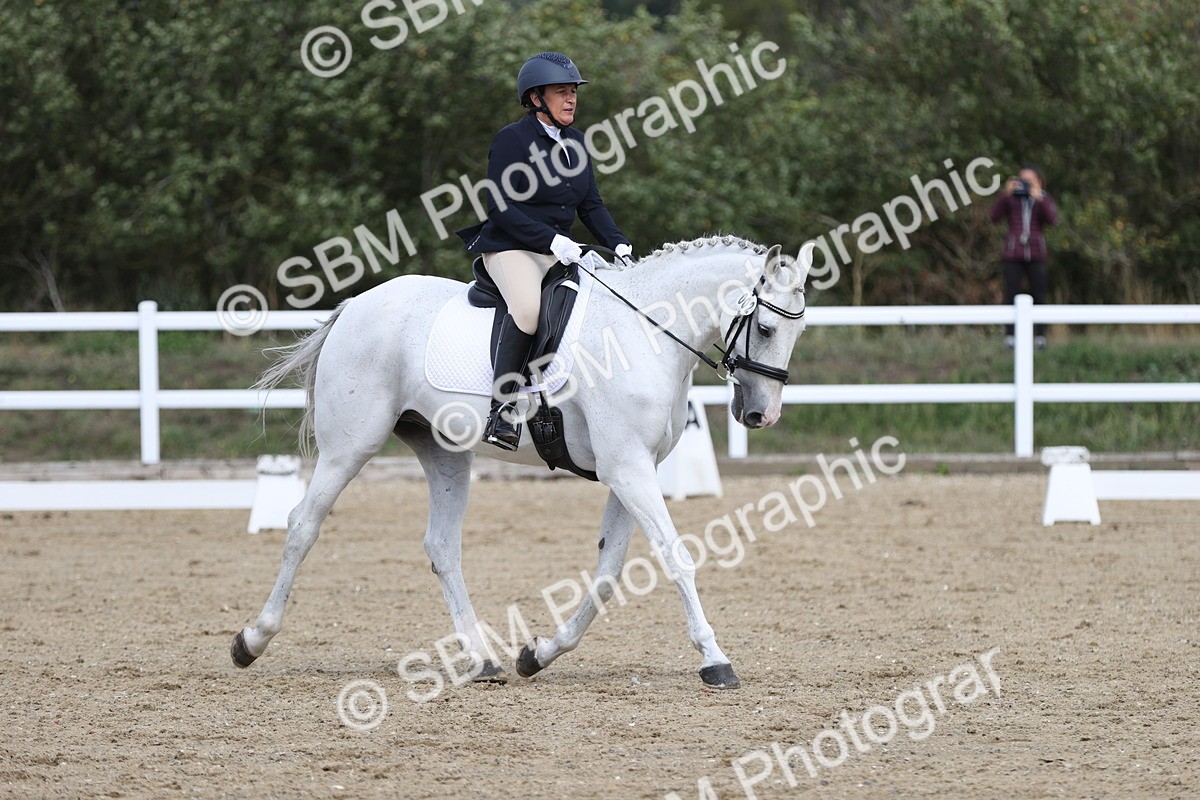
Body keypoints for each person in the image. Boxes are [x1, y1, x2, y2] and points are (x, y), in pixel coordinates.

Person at [457, 52, 633, 450]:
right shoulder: (512, 139)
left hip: (562, 251)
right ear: (536, 99)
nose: (571, 99)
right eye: (561, 92)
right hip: (511, 248)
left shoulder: (577, 142)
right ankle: (502, 410)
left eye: (573, 92)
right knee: (528, 311)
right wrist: (551, 241)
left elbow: (591, 205)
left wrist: (618, 242)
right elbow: (499, 206)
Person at [990, 164, 1058, 349]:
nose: (1025, 185)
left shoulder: (1043, 198)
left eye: (1030, 181)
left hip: (1037, 253)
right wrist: (1005, 195)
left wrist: (1039, 198)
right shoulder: (1010, 199)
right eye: (1022, 180)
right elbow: (994, 217)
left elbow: (1052, 220)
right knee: (1011, 294)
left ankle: (1040, 337)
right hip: (1013, 253)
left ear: (1038, 182)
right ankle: (1010, 336)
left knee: (1039, 294)